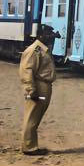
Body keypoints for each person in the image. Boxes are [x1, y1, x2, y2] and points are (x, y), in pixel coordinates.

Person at [19, 24, 60, 155]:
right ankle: (29, 147)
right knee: (32, 116)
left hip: (44, 86)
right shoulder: (34, 50)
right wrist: (31, 90)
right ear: (41, 35)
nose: (51, 38)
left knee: (35, 116)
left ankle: (31, 145)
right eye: (48, 35)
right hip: (38, 87)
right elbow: (26, 71)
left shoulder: (43, 49)